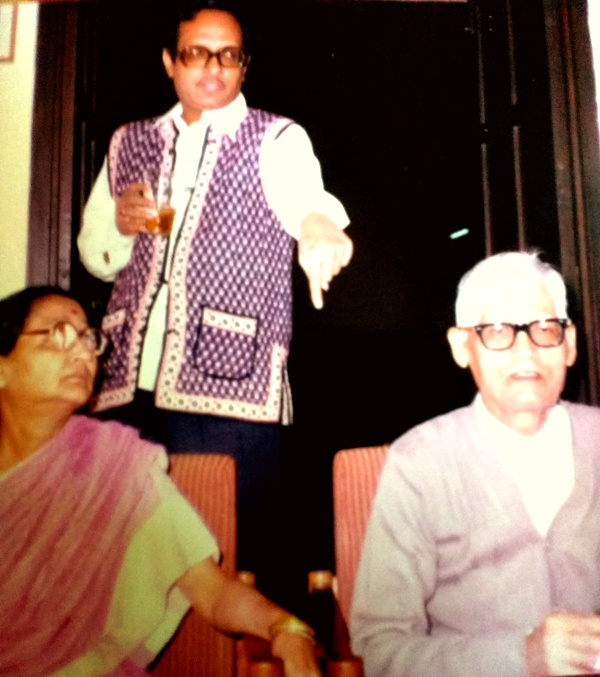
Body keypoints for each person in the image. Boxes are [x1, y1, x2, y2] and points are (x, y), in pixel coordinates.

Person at [77, 0, 352, 576]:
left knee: (224, 557)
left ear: (244, 66)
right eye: (196, 53)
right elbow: (96, 255)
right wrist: (124, 229)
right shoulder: (130, 142)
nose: (212, 67)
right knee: (123, 564)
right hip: (127, 385)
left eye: (228, 55)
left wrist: (321, 229)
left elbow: (307, 202)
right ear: (169, 63)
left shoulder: (276, 139)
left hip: (232, 389)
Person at [0, 286, 322, 677]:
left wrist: (285, 628)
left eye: (89, 337)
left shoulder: (113, 467)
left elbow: (213, 591)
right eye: (59, 333)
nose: (84, 352)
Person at [350, 251, 600, 677]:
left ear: (570, 344)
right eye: (498, 331)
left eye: (544, 328)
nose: (526, 350)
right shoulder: (420, 464)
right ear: (461, 347)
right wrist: (524, 657)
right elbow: (381, 650)